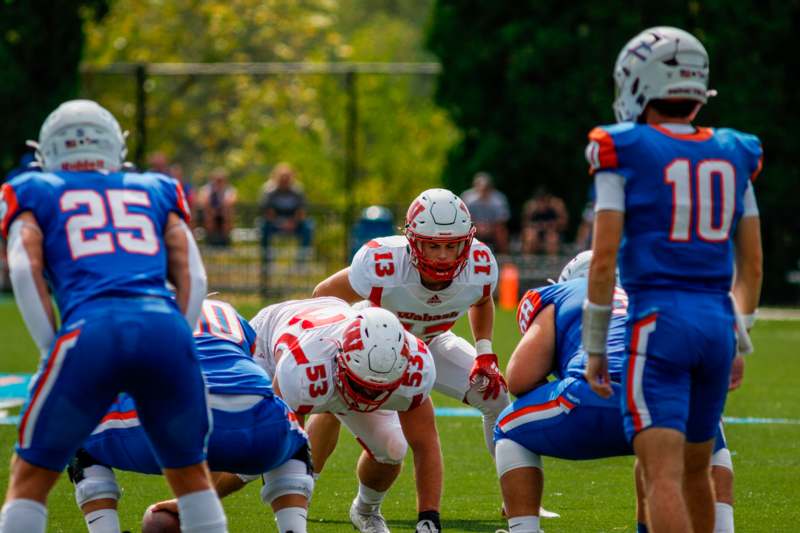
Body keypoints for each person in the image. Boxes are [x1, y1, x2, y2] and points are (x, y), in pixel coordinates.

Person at [0, 100, 225, 533]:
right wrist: (178, 333)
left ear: (48, 149)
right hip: (163, 329)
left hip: (90, 330)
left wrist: (53, 349)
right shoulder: (156, 187)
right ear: (114, 145)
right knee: (191, 476)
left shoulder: (31, 188)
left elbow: (25, 268)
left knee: (30, 475)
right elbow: (192, 272)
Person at [583, 27, 762, 532]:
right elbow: (751, 265)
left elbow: (603, 259)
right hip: (716, 324)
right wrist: (738, 336)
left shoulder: (625, 147)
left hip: (658, 321)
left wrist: (597, 346)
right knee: (696, 472)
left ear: (635, 82)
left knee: (660, 476)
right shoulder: (735, 150)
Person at [494, 252, 741, 533]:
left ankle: (524, 529)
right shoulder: (652, 291)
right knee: (707, 427)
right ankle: (723, 528)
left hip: (595, 394)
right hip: (664, 399)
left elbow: (518, 379)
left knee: (506, 426)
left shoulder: (562, 293)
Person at [68, 298, 312, 533]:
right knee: (294, 440)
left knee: (78, 434)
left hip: (170, 419)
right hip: (249, 419)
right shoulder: (224, 311)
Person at [312, 188, 508, 466]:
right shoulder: (383, 263)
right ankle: (301, 490)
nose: (443, 256)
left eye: (452, 246)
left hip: (432, 341)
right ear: (413, 242)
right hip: (375, 345)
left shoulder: (480, 264)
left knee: (496, 395)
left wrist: (484, 353)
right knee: (333, 407)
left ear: (467, 242)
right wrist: (338, 345)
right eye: (433, 245)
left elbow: (482, 300)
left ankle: (515, 495)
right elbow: (324, 295)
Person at [250, 299, 443, 533]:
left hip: (333, 366)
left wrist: (429, 517)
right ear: (341, 359)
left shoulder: (417, 366)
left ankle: (366, 511)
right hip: (266, 344)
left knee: (393, 447)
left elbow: (426, 444)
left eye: (380, 390)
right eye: (362, 387)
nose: (367, 398)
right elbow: (286, 445)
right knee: (248, 457)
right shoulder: (302, 368)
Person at [258, 163, 313, 255]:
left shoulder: (298, 191)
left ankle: (302, 261)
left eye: (287, 177)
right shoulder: (268, 190)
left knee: (308, 226)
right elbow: (267, 212)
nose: (284, 180)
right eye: (282, 177)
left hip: (294, 223)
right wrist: (280, 223)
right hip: (274, 223)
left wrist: (293, 223)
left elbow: (301, 211)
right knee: (263, 226)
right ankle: (266, 260)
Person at [461, 172, 510, 253]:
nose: (483, 191)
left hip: (493, 228)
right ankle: (464, 254)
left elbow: (501, 221)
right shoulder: (467, 198)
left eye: (486, 188)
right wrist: (477, 226)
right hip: (474, 227)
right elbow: (464, 219)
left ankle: (505, 258)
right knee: (465, 230)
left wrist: (488, 228)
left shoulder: (499, 199)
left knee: (501, 231)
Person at [520, 187, 569, 255]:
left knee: (552, 239)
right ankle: (528, 262)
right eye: (539, 200)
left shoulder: (557, 206)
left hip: (552, 232)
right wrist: (537, 226)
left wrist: (550, 226)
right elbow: (525, 224)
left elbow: (564, 224)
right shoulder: (530, 207)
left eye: (543, 200)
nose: (542, 204)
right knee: (530, 237)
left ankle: (552, 263)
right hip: (535, 232)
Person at [196, 167, 237, 246]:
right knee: (208, 215)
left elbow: (232, 200)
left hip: (223, 213)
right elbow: (202, 201)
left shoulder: (229, 189)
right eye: (217, 179)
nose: (219, 182)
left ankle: (225, 241)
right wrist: (212, 209)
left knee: (227, 213)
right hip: (210, 213)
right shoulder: (206, 189)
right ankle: (210, 241)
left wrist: (222, 208)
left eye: (221, 180)